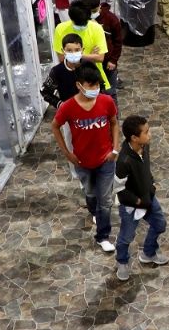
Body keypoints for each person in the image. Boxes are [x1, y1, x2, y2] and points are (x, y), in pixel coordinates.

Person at [50, 65, 119, 252]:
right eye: (91, 85)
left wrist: (115, 149)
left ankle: (103, 236)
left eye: (97, 85)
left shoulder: (106, 102)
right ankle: (92, 209)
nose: (95, 89)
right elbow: (55, 126)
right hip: (82, 161)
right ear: (79, 85)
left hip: (105, 160)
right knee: (90, 193)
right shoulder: (68, 107)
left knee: (105, 200)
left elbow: (114, 123)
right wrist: (67, 153)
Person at [113, 115, 168, 281]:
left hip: (148, 197)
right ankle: (122, 261)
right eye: (146, 132)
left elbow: (145, 169)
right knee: (126, 237)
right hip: (131, 206)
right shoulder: (123, 161)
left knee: (160, 224)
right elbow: (118, 189)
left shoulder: (145, 146)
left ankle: (149, 252)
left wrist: (151, 184)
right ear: (134, 138)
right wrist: (137, 202)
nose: (150, 135)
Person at [52, 0, 110, 91]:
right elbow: (62, 59)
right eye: (70, 50)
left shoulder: (96, 28)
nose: (81, 27)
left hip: (93, 78)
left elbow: (100, 58)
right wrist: (90, 56)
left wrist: (76, 55)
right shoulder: (60, 29)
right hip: (70, 80)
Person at [81, 0, 123, 98]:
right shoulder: (82, 20)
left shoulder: (111, 19)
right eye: (89, 12)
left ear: (99, 6)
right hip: (90, 63)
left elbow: (118, 41)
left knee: (110, 92)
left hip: (108, 63)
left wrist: (113, 60)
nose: (92, 14)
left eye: (94, 11)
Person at [41, 33, 90, 109]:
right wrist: (59, 104)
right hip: (69, 112)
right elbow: (45, 91)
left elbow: (100, 86)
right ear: (63, 51)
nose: (73, 53)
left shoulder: (89, 66)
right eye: (69, 50)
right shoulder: (57, 71)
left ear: (82, 50)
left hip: (88, 109)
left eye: (77, 50)